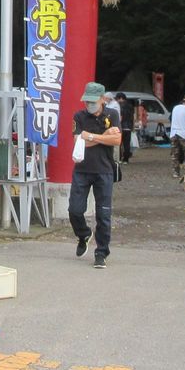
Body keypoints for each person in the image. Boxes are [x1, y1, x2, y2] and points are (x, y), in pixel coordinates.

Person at [68, 82, 123, 270]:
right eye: (87, 101)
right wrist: (102, 137)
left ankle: (101, 252)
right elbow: (78, 141)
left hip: (104, 170)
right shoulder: (79, 116)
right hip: (82, 170)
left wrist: (90, 136)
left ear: (102, 99)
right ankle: (83, 234)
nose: (89, 105)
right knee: (74, 210)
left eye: (93, 101)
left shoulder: (112, 114)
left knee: (103, 214)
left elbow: (116, 140)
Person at [169, 94, 185, 179]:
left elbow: (170, 118)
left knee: (174, 154)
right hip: (183, 134)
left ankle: (175, 172)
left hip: (173, 133)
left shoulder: (175, 108)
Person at [115, 92, 136, 164]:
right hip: (128, 127)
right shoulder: (130, 106)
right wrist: (133, 126)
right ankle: (126, 160)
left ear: (119, 98)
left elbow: (120, 117)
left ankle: (119, 158)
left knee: (119, 143)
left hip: (120, 127)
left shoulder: (118, 106)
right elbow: (133, 117)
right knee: (127, 144)